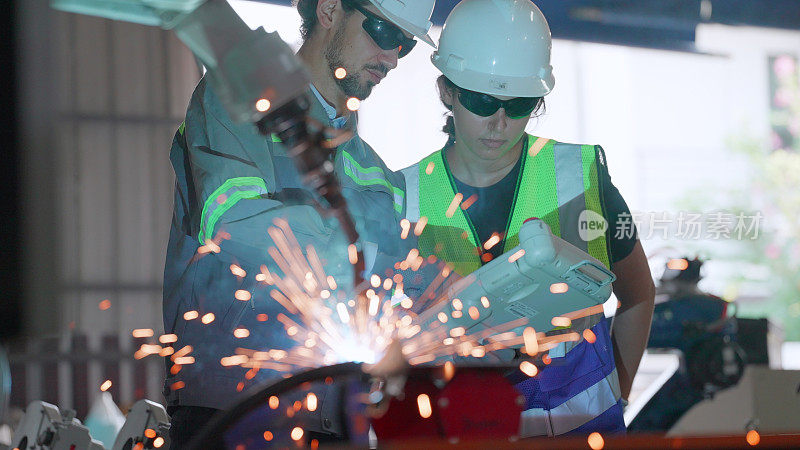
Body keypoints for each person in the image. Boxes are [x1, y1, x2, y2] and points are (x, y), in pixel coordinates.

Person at [162, 0, 436, 446]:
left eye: (404, 45)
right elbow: (232, 224)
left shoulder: (379, 175)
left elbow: (393, 282)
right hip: (233, 408)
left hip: (334, 417)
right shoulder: (238, 99)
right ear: (329, 10)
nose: (392, 59)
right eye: (385, 34)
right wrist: (355, 257)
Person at [401, 0, 655, 436]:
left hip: (586, 431)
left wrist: (618, 393)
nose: (498, 122)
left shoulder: (582, 177)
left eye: (519, 105)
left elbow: (638, 295)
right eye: (482, 101)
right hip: (464, 432)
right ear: (447, 91)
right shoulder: (401, 197)